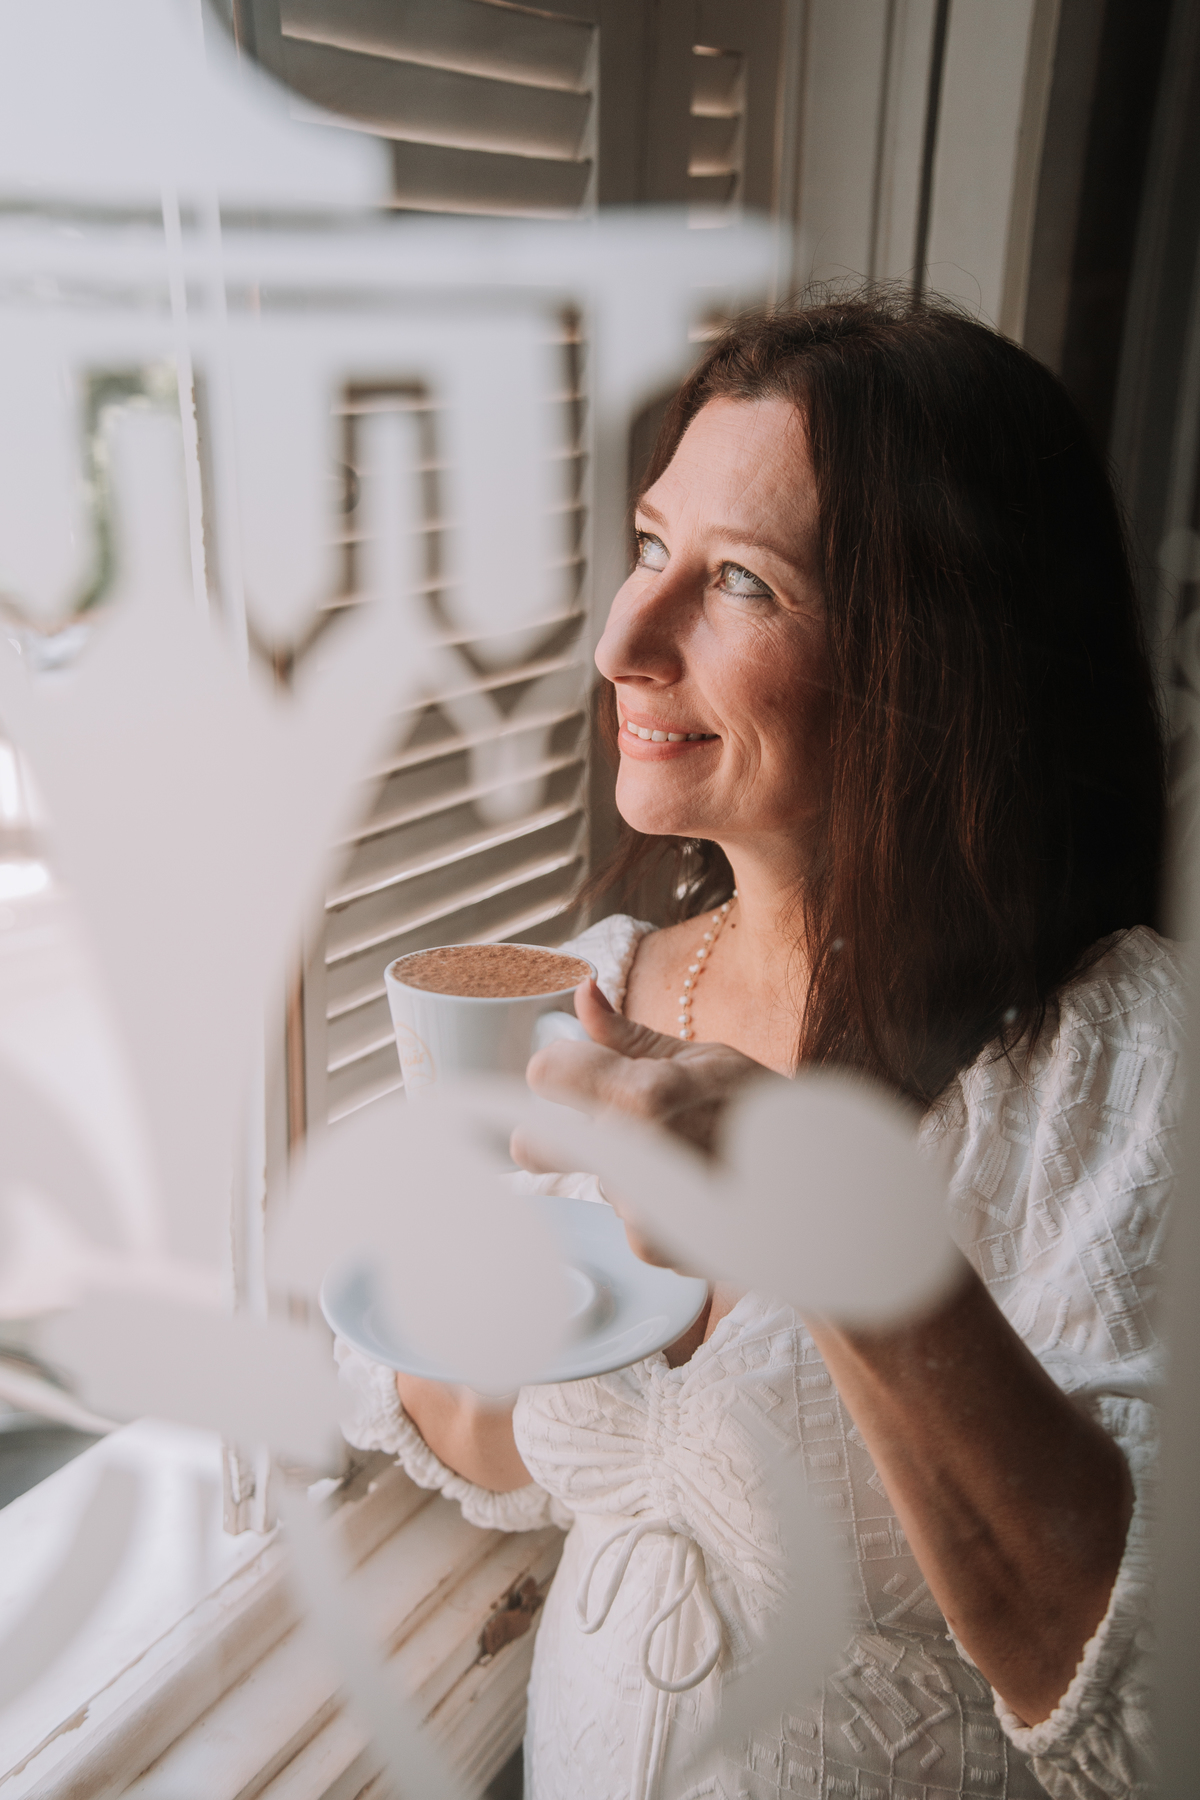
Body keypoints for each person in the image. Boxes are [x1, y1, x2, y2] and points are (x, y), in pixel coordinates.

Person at [336, 295, 1178, 1800]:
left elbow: (1149, 1726)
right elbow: (520, 1439)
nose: (621, 641)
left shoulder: (1114, 1058)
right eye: (650, 546)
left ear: (940, 662)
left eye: (741, 582)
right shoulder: (591, 992)